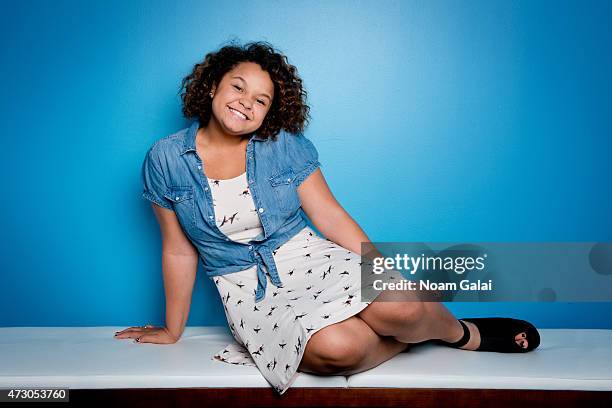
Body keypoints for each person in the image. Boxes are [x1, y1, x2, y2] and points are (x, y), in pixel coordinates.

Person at [115, 41, 541, 395]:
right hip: (245, 285)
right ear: (211, 87)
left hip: (307, 257)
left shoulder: (282, 145)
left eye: (261, 100)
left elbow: (331, 216)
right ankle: (422, 336)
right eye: (238, 88)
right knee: (336, 351)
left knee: (404, 309)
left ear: (270, 112)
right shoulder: (165, 158)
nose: (246, 103)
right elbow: (178, 250)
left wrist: (384, 273)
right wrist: (173, 329)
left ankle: (460, 333)